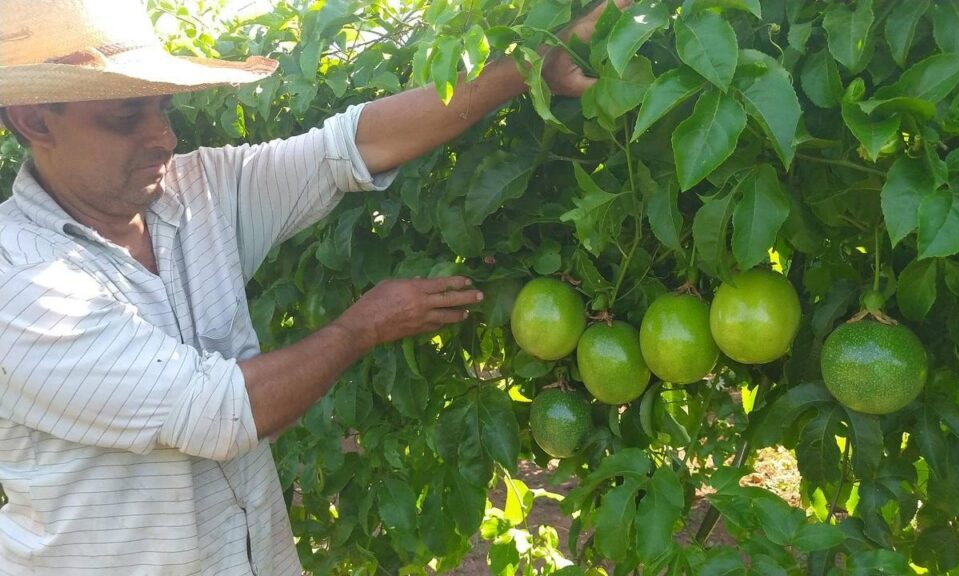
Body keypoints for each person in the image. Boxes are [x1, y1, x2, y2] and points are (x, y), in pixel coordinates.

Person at [0, 0, 626, 574]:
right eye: (126, 115)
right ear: (34, 120)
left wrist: (536, 62)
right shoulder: (19, 282)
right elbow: (218, 415)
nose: (162, 136)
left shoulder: (194, 194)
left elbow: (349, 146)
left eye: (162, 107)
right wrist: (362, 327)